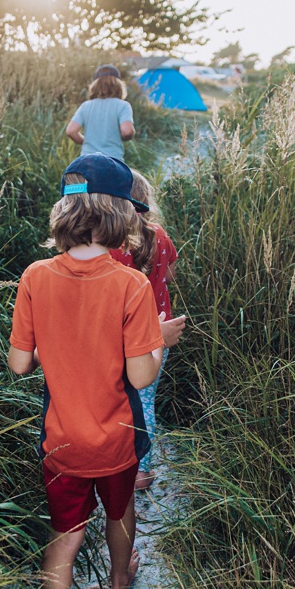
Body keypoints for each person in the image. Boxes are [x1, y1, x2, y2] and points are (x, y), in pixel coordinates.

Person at [7, 154, 164, 589]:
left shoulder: (35, 275)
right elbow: (142, 378)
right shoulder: (129, 285)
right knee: (119, 513)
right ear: (121, 213)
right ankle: (121, 580)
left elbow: (20, 363)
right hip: (116, 439)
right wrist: (159, 342)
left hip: (61, 441)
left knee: (65, 537)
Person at [110, 168, 185, 490]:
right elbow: (169, 276)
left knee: (116, 396)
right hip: (159, 332)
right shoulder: (160, 236)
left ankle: (113, 458)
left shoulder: (111, 245)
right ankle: (141, 470)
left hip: (120, 335)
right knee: (145, 400)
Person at [65, 64, 134, 161]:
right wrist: (129, 135)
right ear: (118, 85)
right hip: (113, 161)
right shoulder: (123, 106)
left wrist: (86, 141)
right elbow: (127, 132)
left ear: (95, 85)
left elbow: (71, 131)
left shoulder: (86, 106)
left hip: (87, 160)